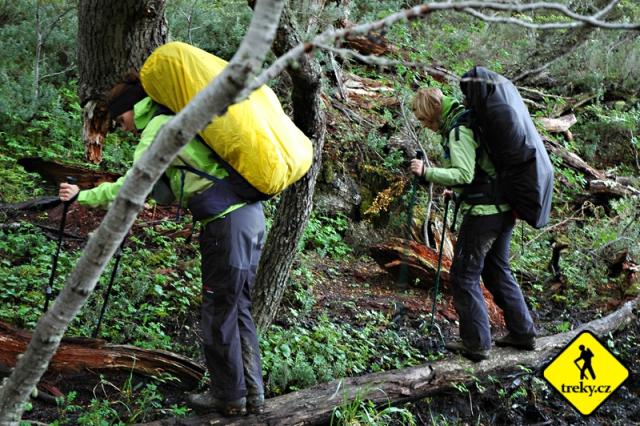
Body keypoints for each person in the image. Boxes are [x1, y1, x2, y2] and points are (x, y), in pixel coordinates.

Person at [59, 74, 265, 416]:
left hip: (227, 225)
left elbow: (133, 184)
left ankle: (228, 397)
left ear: (131, 109)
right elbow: (159, 188)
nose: (120, 128)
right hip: (249, 217)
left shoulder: (159, 126)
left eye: (119, 120)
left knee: (218, 311)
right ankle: (251, 395)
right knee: (237, 308)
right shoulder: (176, 119)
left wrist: (84, 195)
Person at [409, 87, 536, 362]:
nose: (424, 125)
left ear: (432, 112)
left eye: (422, 119)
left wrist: (427, 172)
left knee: (463, 276)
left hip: (484, 214)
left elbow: (464, 173)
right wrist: (456, 191)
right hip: (503, 209)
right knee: (496, 271)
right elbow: (481, 171)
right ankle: (523, 332)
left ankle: (477, 343)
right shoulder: (469, 120)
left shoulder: (458, 130)